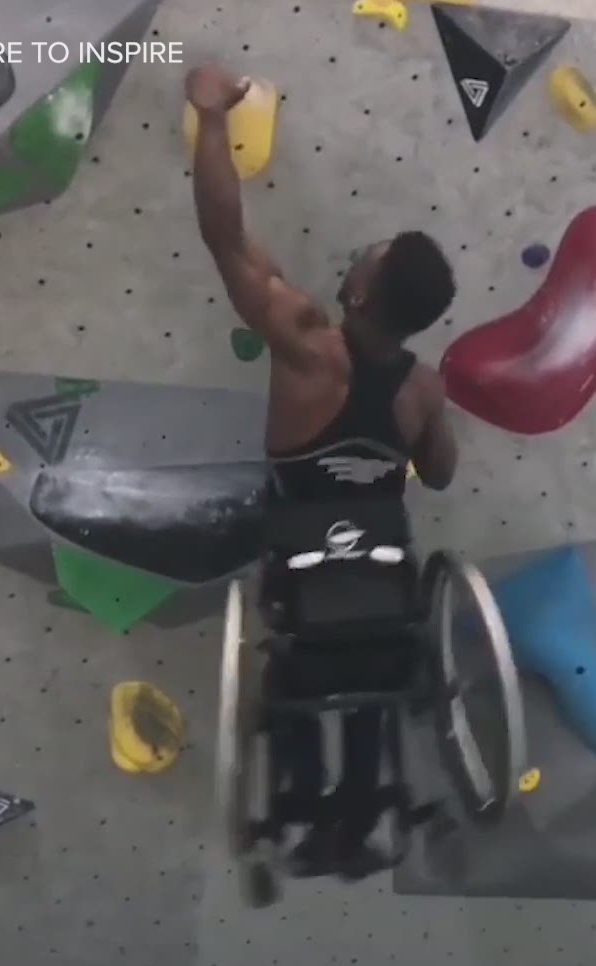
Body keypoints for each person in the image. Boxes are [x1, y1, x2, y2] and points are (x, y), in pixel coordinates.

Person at [186, 61, 460, 878]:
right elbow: (440, 477)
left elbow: (224, 236)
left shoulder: (308, 347)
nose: (355, 260)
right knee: (374, 637)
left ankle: (305, 813)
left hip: (302, 579)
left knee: (301, 645)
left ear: (363, 297)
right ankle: (362, 816)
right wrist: (418, 436)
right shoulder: (422, 389)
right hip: (383, 588)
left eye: (365, 262)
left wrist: (208, 120)